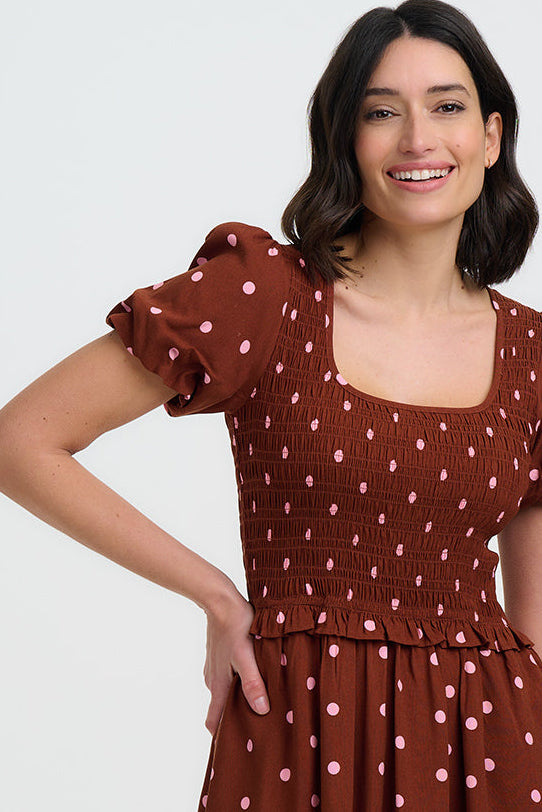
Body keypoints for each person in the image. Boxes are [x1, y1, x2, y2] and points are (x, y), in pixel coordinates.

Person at [1, 0, 542, 808]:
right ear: (344, 139)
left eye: (448, 107)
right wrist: (218, 596)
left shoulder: (532, 353)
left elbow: (533, 630)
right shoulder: (266, 296)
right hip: (296, 730)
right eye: (381, 112)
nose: (418, 139)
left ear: (491, 136)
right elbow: (22, 441)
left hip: (488, 746)